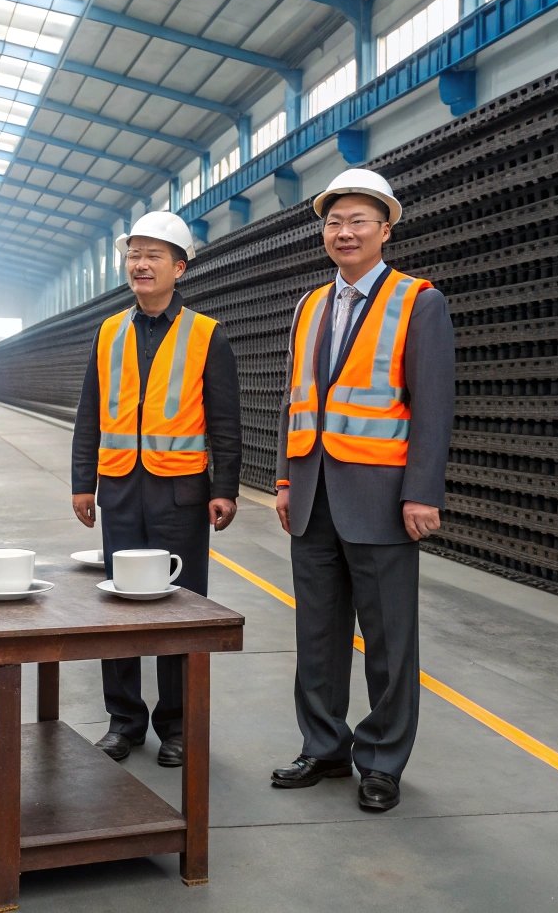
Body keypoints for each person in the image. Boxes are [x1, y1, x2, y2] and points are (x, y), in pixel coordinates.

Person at [271, 168, 454, 812]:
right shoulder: (309, 306)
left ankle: (381, 761)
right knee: (317, 635)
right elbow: (295, 397)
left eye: (357, 221)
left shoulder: (418, 301)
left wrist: (421, 492)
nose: (343, 232)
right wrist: (285, 478)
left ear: (385, 230)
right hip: (312, 493)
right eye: (334, 222)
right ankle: (323, 746)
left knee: (388, 640)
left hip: (381, 497)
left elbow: (433, 406)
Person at [71, 211, 242, 768]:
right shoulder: (109, 332)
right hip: (120, 488)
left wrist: (225, 488)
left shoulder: (207, 334)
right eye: (134, 255)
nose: (140, 265)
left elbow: (225, 421)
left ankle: (177, 724)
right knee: (118, 606)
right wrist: (82, 482)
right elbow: (89, 414)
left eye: (153, 256)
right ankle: (123, 721)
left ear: (179, 267)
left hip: (181, 494)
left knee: (179, 607)